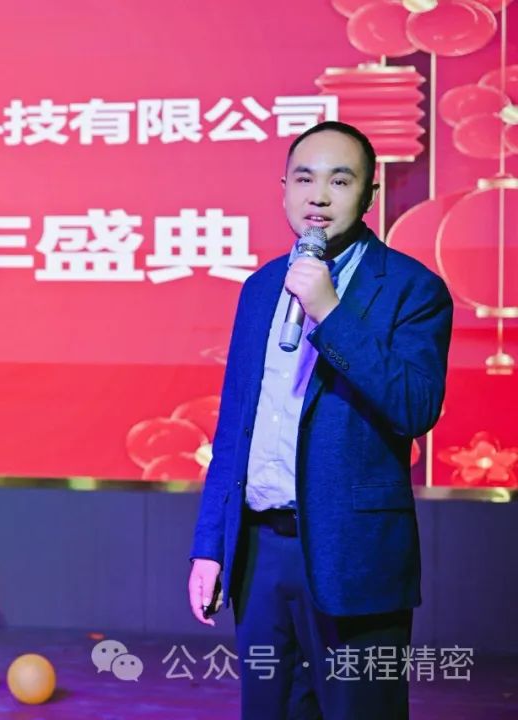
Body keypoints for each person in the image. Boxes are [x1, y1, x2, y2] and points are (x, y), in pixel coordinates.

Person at [187, 121, 453, 719]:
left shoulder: (412, 289)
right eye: (305, 179)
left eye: (340, 180)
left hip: (353, 553)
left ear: (369, 194)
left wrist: (330, 311)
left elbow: (415, 407)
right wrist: (210, 546)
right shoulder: (260, 289)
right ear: (283, 189)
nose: (319, 196)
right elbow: (235, 428)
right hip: (260, 553)